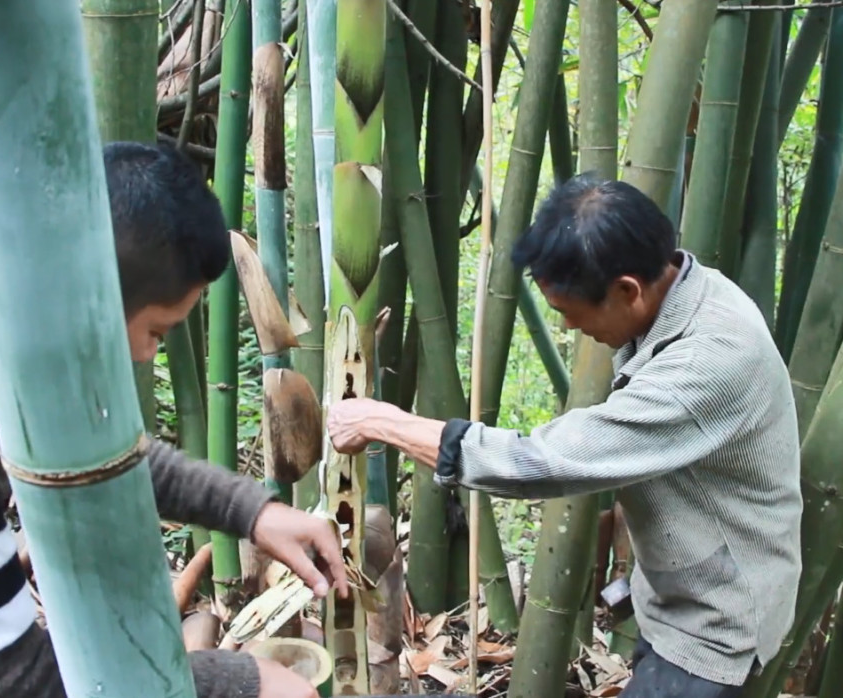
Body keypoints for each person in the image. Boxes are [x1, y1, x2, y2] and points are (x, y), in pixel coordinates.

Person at [0, 141, 345, 698]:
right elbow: (6, 687)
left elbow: (99, 456)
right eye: (156, 332)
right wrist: (240, 682)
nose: (149, 355)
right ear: (96, 297)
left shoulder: (0, 300)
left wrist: (251, 512)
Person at [326, 174, 803, 698]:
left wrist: (379, 421)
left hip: (715, 629)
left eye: (571, 313)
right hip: (682, 597)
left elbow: (542, 462)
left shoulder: (709, 359)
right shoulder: (688, 288)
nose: (572, 328)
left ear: (627, 289)